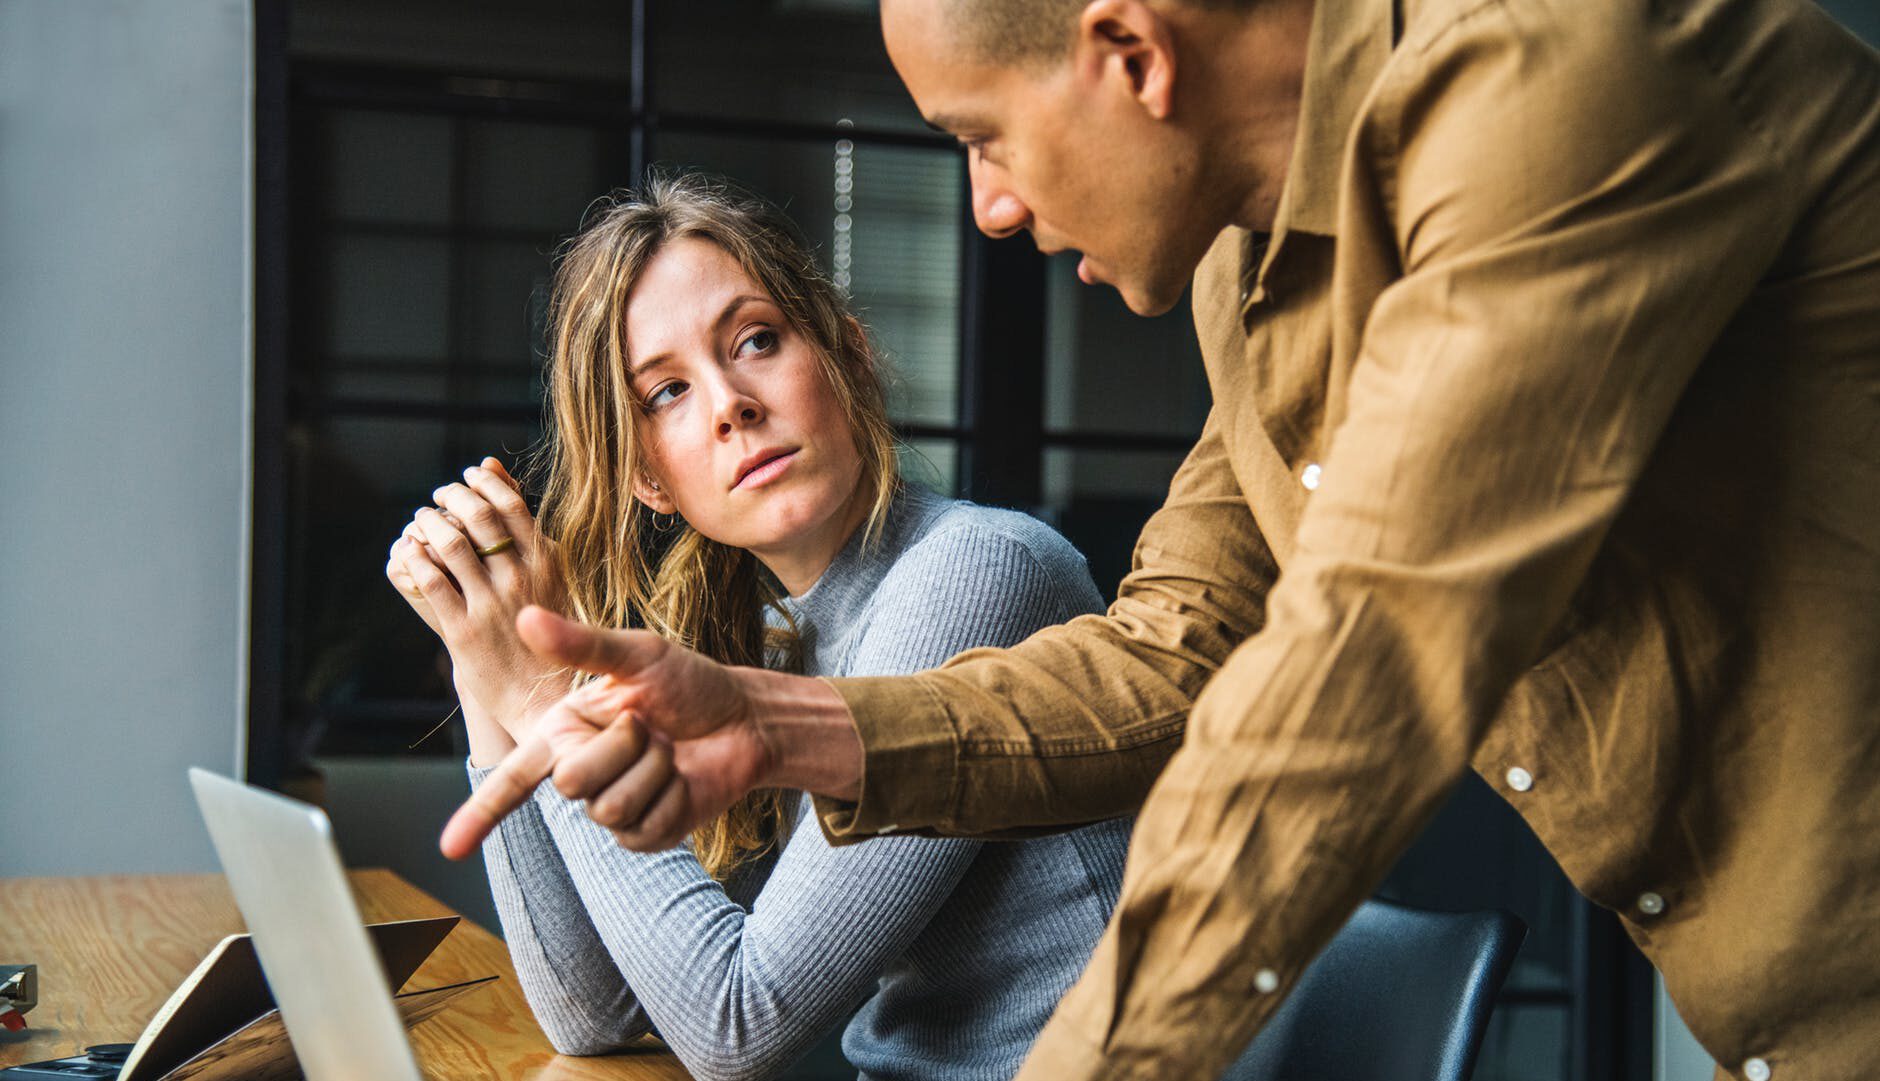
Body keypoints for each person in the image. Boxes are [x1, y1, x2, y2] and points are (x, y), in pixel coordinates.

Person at [447, 1, 1880, 1078]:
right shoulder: (1253, 282)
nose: (991, 206)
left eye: (984, 138)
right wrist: (776, 719)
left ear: (1129, 51)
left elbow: (1358, 676)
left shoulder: (1551, 92)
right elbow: (1172, 651)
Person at [391, 172, 1134, 1081]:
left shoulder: (979, 570)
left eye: (756, 341)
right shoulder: (765, 631)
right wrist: (484, 661)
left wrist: (542, 695)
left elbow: (736, 1030)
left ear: (850, 356)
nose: (728, 404)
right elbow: (594, 1010)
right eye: (665, 392)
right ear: (649, 481)